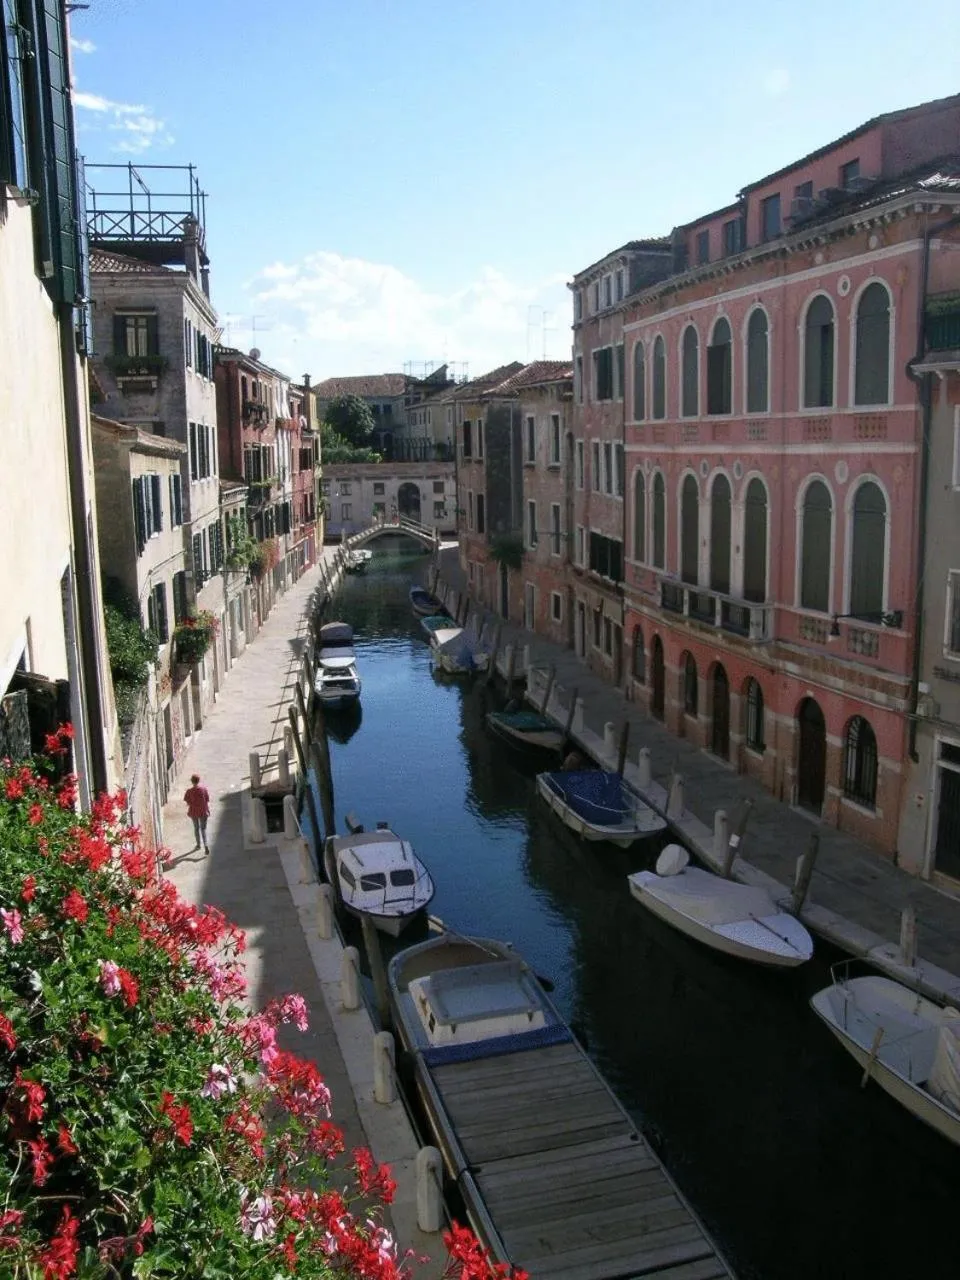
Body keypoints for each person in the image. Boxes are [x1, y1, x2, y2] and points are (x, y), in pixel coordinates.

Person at [184, 774, 211, 852]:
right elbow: (207, 799)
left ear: (192, 782)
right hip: (203, 811)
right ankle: (205, 844)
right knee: (203, 829)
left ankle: (198, 845)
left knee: (196, 828)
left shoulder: (189, 791)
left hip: (194, 812)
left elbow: (187, 801)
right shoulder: (204, 789)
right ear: (198, 781)